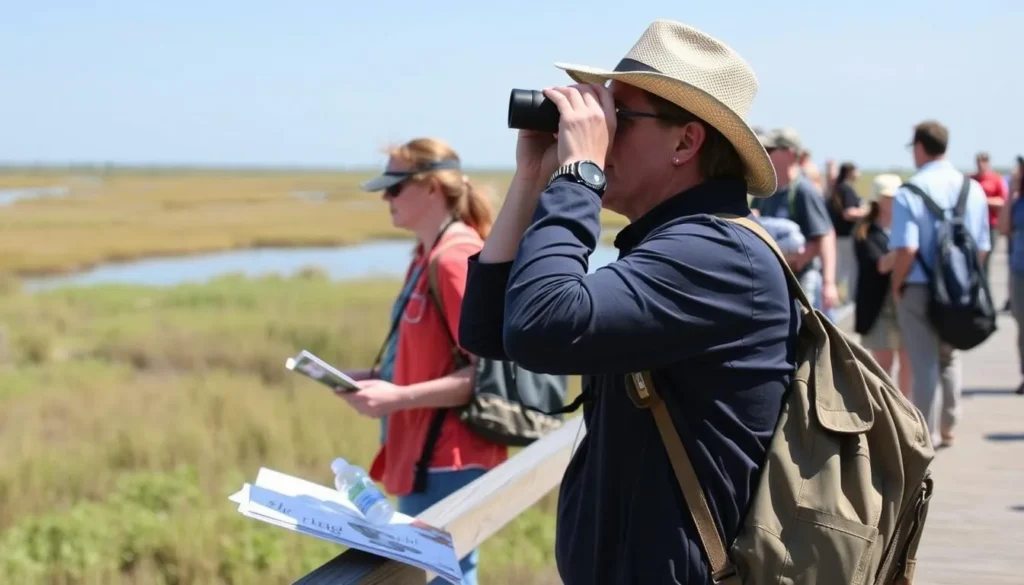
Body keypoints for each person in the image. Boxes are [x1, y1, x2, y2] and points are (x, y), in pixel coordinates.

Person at [459, 20, 796, 584]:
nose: (600, 133)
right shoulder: (675, 245)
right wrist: (531, 179)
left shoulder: (718, 253)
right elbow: (490, 331)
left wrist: (578, 173)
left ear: (686, 142)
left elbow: (543, 326)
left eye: (619, 119)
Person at [342, 137, 506, 585]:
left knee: (442, 577)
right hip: (423, 456)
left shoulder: (454, 259)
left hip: (450, 458)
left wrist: (398, 397)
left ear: (432, 188)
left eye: (395, 187)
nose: (385, 198)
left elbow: (481, 374)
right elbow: (434, 359)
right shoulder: (425, 255)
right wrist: (373, 379)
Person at [888, 120, 991, 449]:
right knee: (948, 357)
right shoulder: (971, 188)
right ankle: (949, 424)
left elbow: (907, 247)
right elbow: (983, 246)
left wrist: (896, 284)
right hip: (959, 288)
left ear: (919, 147)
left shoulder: (910, 191)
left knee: (924, 363)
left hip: (918, 286)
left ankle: (924, 436)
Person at [752, 127, 840, 316]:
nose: (764, 154)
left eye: (770, 150)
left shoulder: (804, 191)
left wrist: (829, 284)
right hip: (775, 280)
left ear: (790, 154)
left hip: (801, 282)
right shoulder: (765, 191)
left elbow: (824, 236)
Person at [853, 173, 912, 396]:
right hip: (878, 306)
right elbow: (880, 266)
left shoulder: (906, 224)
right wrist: (904, 249)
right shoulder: (864, 230)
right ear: (878, 199)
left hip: (905, 302)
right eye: (889, 197)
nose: (894, 202)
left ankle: (910, 416)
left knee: (908, 363)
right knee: (883, 367)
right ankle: (889, 417)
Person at [997, 160, 1024, 395]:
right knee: (1022, 323)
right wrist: (1012, 192)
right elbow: (1003, 227)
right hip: (1019, 270)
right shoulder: (1017, 201)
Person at [828, 162, 869, 304]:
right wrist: (866, 212)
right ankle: (849, 301)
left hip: (837, 234)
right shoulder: (846, 189)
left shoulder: (837, 188)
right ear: (849, 172)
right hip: (846, 235)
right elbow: (848, 213)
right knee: (848, 268)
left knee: (840, 268)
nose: (858, 174)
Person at [971, 151, 1009, 283]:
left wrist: (984, 200)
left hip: (991, 224)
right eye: (979, 161)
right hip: (973, 224)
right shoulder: (971, 180)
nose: (982, 164)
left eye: (984, 160)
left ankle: (983, 287)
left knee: (985, 258)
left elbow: (1003, 201)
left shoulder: (996, 179)